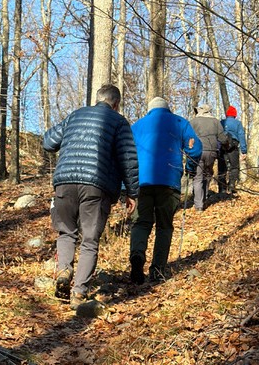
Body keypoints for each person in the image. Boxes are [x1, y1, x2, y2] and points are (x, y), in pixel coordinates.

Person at [43, 83, 139, 308]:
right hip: (97, 185)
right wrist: (132, 192)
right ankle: (78, 294)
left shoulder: (75, 115)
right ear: (116, 104)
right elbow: (129, 159)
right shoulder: (118, 122)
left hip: (64, 182)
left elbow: (48, 142)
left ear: (97, 99)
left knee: (66, 233)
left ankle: (64, 271)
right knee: (89, 241)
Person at [129, 97, 202, 284]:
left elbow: (127, 156)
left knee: (141, 223)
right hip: (169, 182)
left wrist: (125, 188)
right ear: (167, 109)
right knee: (164, 225)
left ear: (150, 110)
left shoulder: (137, 126)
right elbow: (195, 147)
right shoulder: (179, 122)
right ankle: (157, 269)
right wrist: (190, 169)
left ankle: (137, 257)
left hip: (141, 183)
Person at [190, 104, 228, 211]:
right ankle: (204, 198)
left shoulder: (194, 121)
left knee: (198, 177)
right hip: (212, 152)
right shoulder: (216, 122)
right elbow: (222, 138)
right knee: (207, 175)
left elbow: (188, 136)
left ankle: (198, 206)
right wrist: (227, 145)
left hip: (198, 151)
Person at [217, 105, 247, 196]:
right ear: (235, 114)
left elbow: (217, 135)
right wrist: (244, 150)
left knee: (222, 168)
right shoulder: (237, 123)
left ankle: (222, 188)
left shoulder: (221, 122)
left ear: (227, 115)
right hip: (233, 147)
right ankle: (231, 185)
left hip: (222, 147)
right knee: (234, 167)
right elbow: (241, 136)